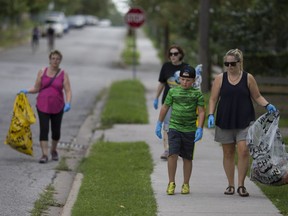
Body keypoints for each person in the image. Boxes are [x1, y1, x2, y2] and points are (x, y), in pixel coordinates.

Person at [208, 48, 277, 197]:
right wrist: (210, 115)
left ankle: (241, 185)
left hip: (245, 120)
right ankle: (230, 185)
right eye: (227, 64)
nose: (229, 67)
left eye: (232, 64)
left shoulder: (248, 78)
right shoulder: (220, 78)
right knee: (228, 152)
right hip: (225, 120)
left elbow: (257, 96)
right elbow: (213, 98)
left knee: (244, 151)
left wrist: (267, 105)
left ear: (240, 63)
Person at [155, 65, 205, 195]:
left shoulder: (197, 94)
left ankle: (186, 184)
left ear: (193, 81)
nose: (185, 82)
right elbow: (165, 107)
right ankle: (171, 182)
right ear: (179, 79)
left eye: (188, 80)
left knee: (187, 158)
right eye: (182, 79)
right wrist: (159, 123)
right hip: (174, 127)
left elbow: (201, 112)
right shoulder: (173, 92)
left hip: (189, 129)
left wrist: (200, 128)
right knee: (172, 154)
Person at [19, 50, 72, 163]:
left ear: (60, 60)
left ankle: (53, 150)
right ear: (49, 59)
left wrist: (68, 103)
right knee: (44, 129)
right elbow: (36, 88)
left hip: (58, 106)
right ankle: (44, 154)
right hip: (42, 105)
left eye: (57, 59)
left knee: (56, 131)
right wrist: (26, 91)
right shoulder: (42, 71)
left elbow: (68, 91)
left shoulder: (63, 73)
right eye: (53, 58)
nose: (55, 61)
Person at [153, 45, 188, 160]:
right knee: (167, 126)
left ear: (180, 55)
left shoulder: (186, 67)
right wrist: (156, 98)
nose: (173, 56)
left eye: (175, 54)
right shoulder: (166, 67)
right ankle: (167, 150)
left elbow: (192, 84)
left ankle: (180, 148)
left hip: (182, 102)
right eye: (171, 54)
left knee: (180, 126)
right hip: (168, 102)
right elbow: (162, 83)